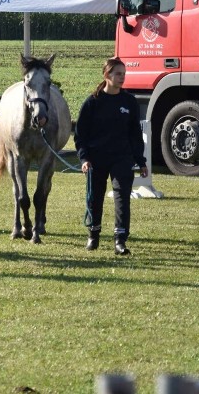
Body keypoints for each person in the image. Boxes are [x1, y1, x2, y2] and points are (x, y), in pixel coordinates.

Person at [74, 57, 148, 255]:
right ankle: (93, 235)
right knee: (95, 198)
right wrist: (84, 159)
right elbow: (80, 135)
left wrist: (141, 161)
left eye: (124, 74)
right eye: (118, 74)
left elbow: (135, 135)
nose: (122, 78)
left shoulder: (129, 102)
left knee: (122, 197)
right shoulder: (92, 102)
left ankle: (120, 240)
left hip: (122, 158)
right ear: (107, 75)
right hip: (96, 159)